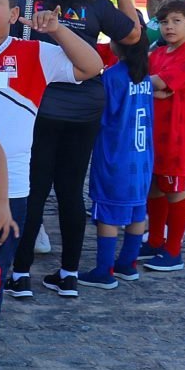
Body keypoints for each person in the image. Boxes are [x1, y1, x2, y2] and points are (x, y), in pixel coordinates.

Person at [0, 0, 102, 370]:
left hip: (10, 190)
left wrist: (57, 31)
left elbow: (92, 66)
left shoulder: (35, 52)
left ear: (14, 13)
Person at [8, 0, 140, 298]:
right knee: (70, 191)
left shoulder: (27, 0)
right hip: (85, 108)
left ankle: (20, 275)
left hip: (39, 104)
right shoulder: (96, 5)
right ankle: (68, 275)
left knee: (34, 190)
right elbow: (132, 35)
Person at [78, 32, 154, 288]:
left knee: (108, 214)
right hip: (142, 158)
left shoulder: (112, 77)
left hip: (116, 157)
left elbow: (100, 115)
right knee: (137, 212)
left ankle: (104, 271)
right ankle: (128, 264)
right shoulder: (145, 77)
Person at [141, 0, 185, 272]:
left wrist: (151, 86)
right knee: (154, 188)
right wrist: (154, 90)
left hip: (177, 137)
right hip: (154, 134)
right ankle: (155, 241)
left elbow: (160, 82)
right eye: (164, 22)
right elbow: (154, 84)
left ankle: (174, 251)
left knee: (175, 191)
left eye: (177, 21)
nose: (169, 27)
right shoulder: (157, 54)